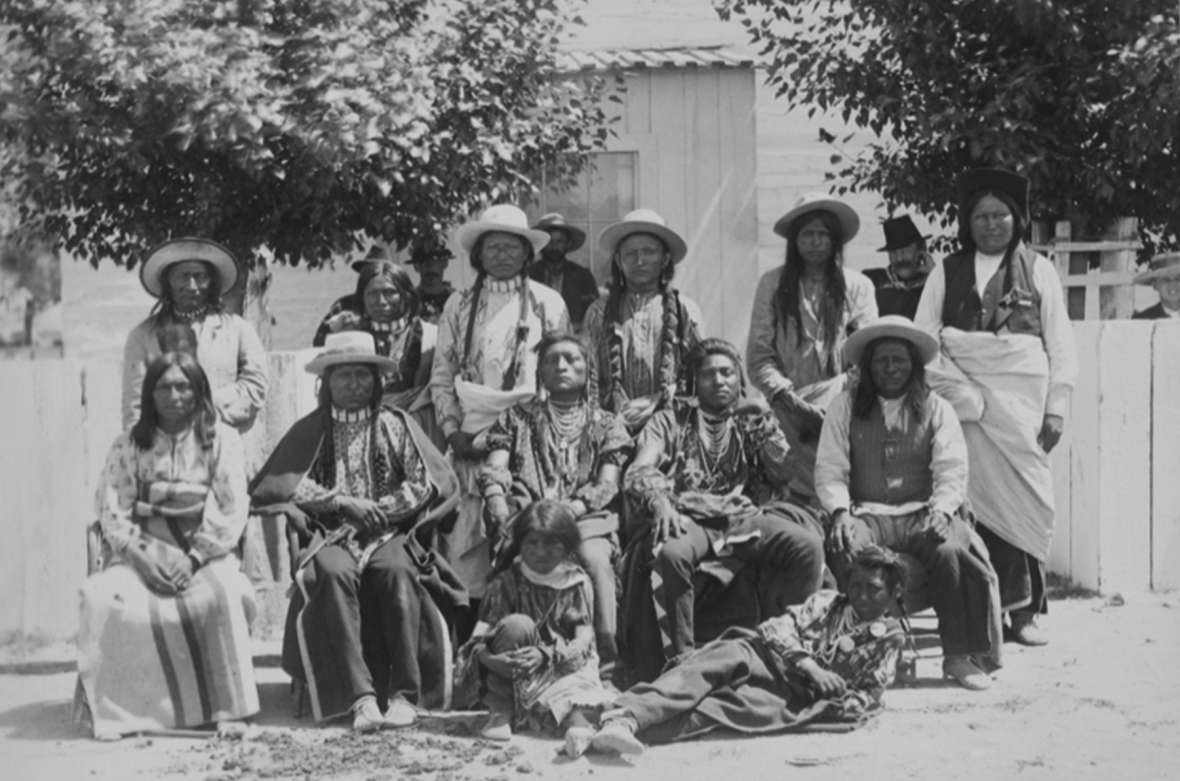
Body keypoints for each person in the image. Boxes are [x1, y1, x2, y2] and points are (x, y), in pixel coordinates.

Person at [249, 332, 467, 730]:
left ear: (376, 380)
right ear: (326, 383)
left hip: (390, 531)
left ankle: (405, 695)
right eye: (343, 376)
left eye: (362, 375)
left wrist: (380, 511)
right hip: (329, 533)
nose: (354, 385)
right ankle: (359, 698)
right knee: (330, 573)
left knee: (397, 572)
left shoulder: (395, 423)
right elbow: (284, 484)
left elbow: (426, 481)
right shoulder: (310, 430)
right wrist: (341, 503)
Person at [914, 167, 1077, 646]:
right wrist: (961, 393)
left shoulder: (1040, 269)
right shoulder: (946, 270)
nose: (991, 225)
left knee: (1027, 502)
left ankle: (1024, 615)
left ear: (1017, 219)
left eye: (1000, 215)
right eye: (982, 216)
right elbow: (924, 340)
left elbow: (1059, 344)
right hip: (963, 413)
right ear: (968, 222)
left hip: (1021, 413)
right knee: (970, 505)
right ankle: (979, 613)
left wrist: (1056, 408)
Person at [619, 338, 825, 682]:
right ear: (693, 382)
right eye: (708, 374)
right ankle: (682, 662)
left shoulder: (750, 419)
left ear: (739, 379)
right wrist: (659, 502)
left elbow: (786, 475)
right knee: (672, 555)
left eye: (728, 373)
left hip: (743, 518)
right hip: (689, 515)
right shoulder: (669, 421)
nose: (720, 381)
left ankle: (793, 651)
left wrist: (763, 425)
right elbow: (640, 469)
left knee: (806, 546)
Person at [77, 352, 258, 740]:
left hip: (203, 551)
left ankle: (225, 709)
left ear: (198, 391)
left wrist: (193, 559)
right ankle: (127, 713)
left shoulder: (221, 439)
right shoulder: (128, 444)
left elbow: (231, 505)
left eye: (183, 386)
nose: (174, 395)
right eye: (164, 387)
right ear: (150, 394)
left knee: (223, 594)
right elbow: (112, 510)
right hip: (139, 550)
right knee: (106, 599)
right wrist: (140, 558)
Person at [815, 315, 1001, 690]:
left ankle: (958, 657)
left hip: (921, 511)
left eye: (899, 360)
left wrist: (943, 510)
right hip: (866, 513)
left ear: (914, 365)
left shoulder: (938, 409)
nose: (890, 368)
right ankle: (860, 654)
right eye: (881, 360)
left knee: (950, 550)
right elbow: (830, 468)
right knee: (845, 549)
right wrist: (839, 512)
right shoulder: (843, 407)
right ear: (868, 367)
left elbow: (951, 468)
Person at [588, 547, 908, 755]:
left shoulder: (889, 638)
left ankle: (606, 729)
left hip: (794, 693)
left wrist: (839, 694)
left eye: (874, 589)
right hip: (765, 657)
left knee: (717, 710)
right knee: (705, 671)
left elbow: (871, 692)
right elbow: (775, 629)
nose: (861, 595)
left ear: (894, 592)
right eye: (856, 585)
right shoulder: (828, 602)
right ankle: (627, 715)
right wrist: (810, 666)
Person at [430, 204, 569, 600]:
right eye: (494, 247)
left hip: (532, 440)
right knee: (466, 546)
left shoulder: (548, 302)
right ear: (479, 254)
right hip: (470, 439)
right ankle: (471, 642)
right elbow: (443, 374)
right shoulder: (457, 305)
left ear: (528, 253)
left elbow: (564, 374)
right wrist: (453, 432)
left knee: (531, 536)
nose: (503, 255)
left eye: (512, 247)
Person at [479, 331, 632, 669]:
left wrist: (571, 509)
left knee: (594, 559)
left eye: (571, 359)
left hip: (586, 517)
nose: (561, 366)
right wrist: (497, 500)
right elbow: (496, 467)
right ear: (541, 372)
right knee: (514, 556)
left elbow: (608, 483)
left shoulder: (607, 423)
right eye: (552, 360)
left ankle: (604, 662)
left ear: (587, 369)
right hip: (530, 512)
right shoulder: (515, 418)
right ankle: (507, 656)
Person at [455, 500, 616, 755]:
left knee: (578, 704)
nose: (541, 552)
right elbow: (477, 640)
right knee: (518, 625)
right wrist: (491, 660)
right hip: (509, 672)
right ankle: (502, 711)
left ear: (568, 545)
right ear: (519, 544)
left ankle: (578, 730)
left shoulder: (575, 582)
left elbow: (583, 640)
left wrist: (547, 655)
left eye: (552, 544)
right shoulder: (505, 583)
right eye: (532, 543)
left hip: (559, 667)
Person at [746, 193, 878, 500]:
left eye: (823, 234)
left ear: (835, 241)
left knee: (843, 490)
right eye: (808, 234)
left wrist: (837, 398)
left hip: (845, 407)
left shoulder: (858, 286)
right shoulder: (772, 285)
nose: (816, 242)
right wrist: (788, 399)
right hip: (788, 412)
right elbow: (758, 356)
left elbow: (867, 351)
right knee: (793, 492)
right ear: (795, 241)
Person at [122, 238, 267, 433]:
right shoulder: (143, 336)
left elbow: (256, 388)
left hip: (225, 443)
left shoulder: (238, 330)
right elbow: (135, 407)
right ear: (167, 281)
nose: (191, 285)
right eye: (182, 276)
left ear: (212, 281)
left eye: (200, 276)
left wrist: (203, 405)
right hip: (164, 451)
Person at [583, 209, 704, 433]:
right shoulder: (598, 312)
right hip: (610, 426)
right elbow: (587, 377)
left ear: (665, 258)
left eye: (649, 252)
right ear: (619, 261)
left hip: (670, 427)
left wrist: (658, 400)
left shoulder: (684, 309)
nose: (640, 260)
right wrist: (605, 419)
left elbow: (698, 374)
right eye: (630, 254)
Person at [312, 259, 442, 447]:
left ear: (406, 295)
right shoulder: (351, 339)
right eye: (372, 293)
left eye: (389, 292)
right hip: (359, 437)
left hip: (419, 437)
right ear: (361, 298)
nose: (381, 301)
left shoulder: (431, 337)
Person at [528, 213, 600, 329]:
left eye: (560, 241)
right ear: (542, 244)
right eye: (550, 241)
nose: (554, 247)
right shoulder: (529, 275)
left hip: (574, 340)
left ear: (568, 244)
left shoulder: (583, 276)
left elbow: (593, 314)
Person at [862, 215, 933, 319]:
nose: (899, 258)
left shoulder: (933, 285)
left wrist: (934, 276)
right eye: (893, 252)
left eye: (904, 250)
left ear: (921, 248)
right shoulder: (872, 280)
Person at [408, 240, 456, 323]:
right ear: (416, 266)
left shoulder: (457, 299)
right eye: (423, 262)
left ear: (445, 263)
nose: (430, 267)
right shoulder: (409, 302)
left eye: (435, 261)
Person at [1132, 252, 1180, 319]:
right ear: (1155, 285)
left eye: (1178, 278)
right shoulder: (1143, 319)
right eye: (1165, 279)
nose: (1172, 284)